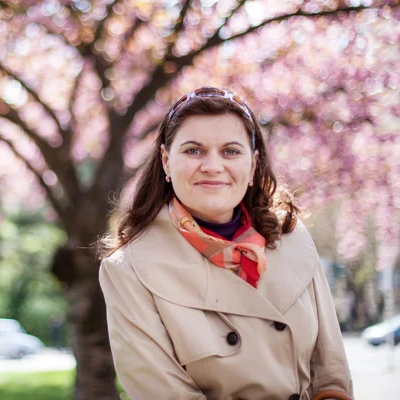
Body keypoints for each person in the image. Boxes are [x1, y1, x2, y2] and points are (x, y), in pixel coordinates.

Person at [99, 86, 353, 400]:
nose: (212, 166)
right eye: (193, 150)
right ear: (166, 161)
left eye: (231, 151)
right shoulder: (129, 269)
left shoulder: (293, 239)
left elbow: (332, 376)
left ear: (252, 164)